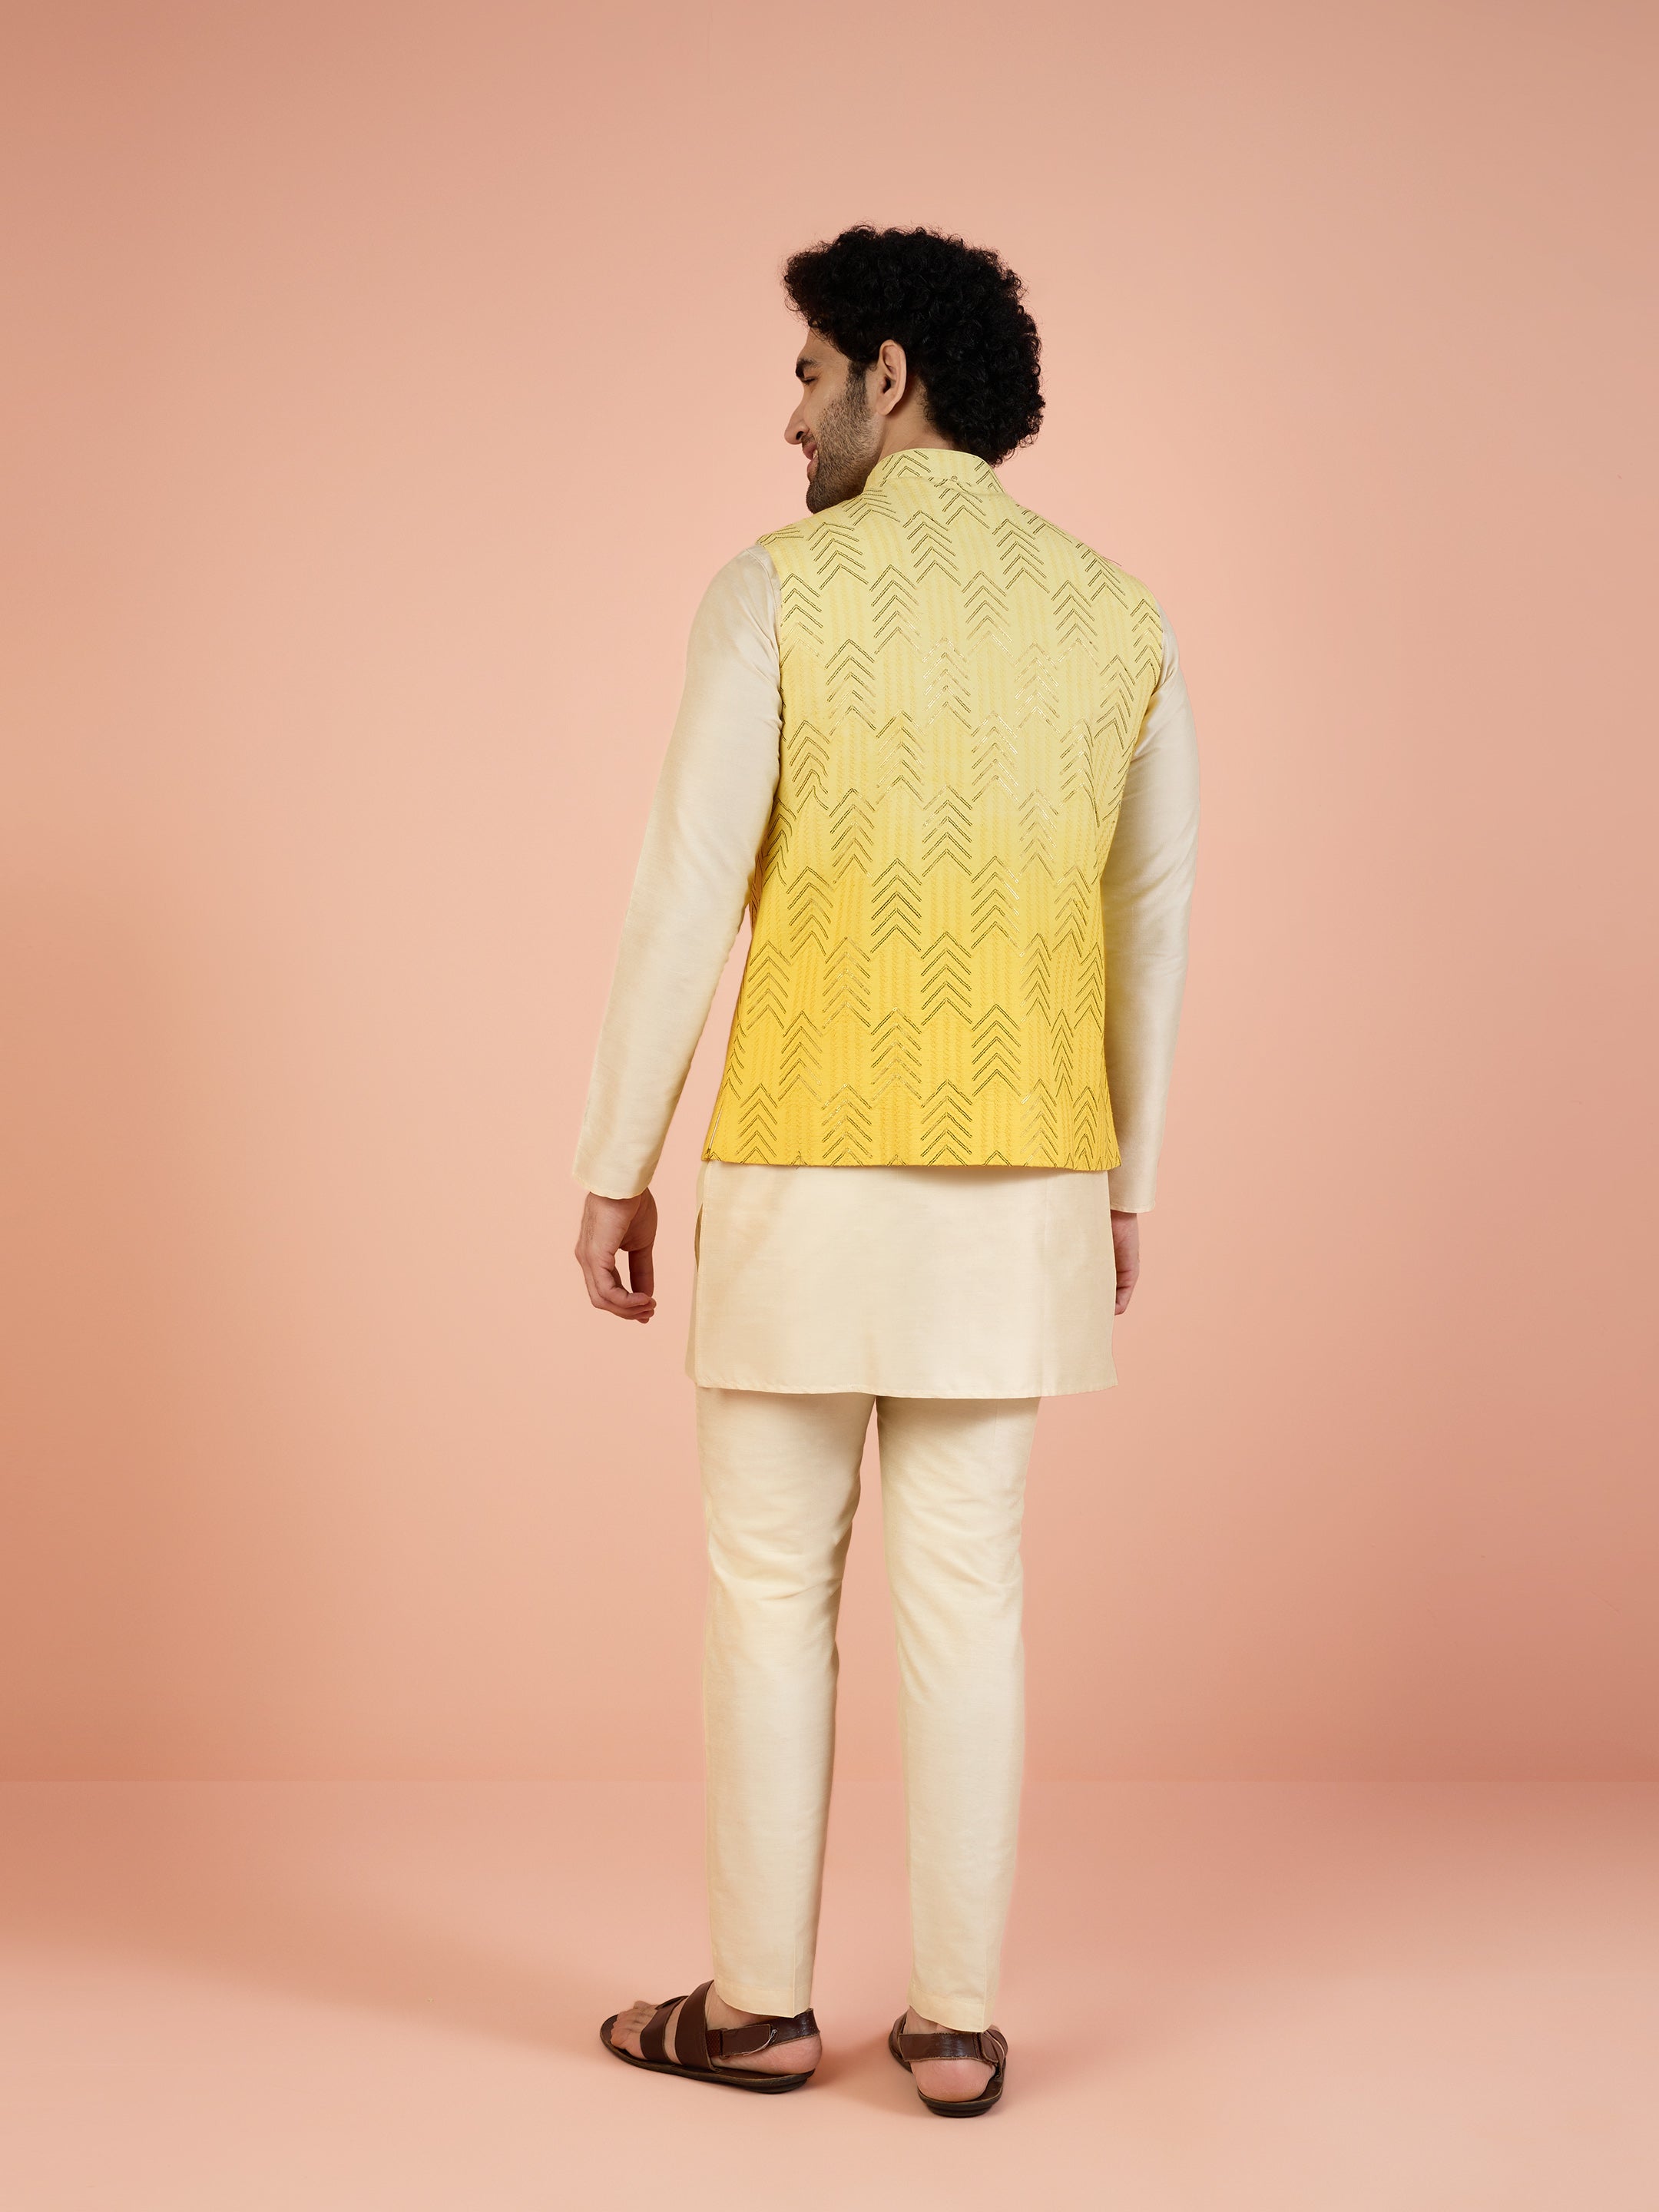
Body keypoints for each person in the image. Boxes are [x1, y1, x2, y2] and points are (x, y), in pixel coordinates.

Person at [572, 224, 1199, 2115]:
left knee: (771, 1587)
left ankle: (759, 2009)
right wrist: (1122, 1182)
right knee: (970, 1591)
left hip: (804, 1164)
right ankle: (955, 2025)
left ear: (890, 376)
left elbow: (688, 890)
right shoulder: (1119, 617)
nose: (792, 417)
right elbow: (1149, 918)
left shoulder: (773, 593)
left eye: (807, 373)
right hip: (1023, 1181)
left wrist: (616, 1158)